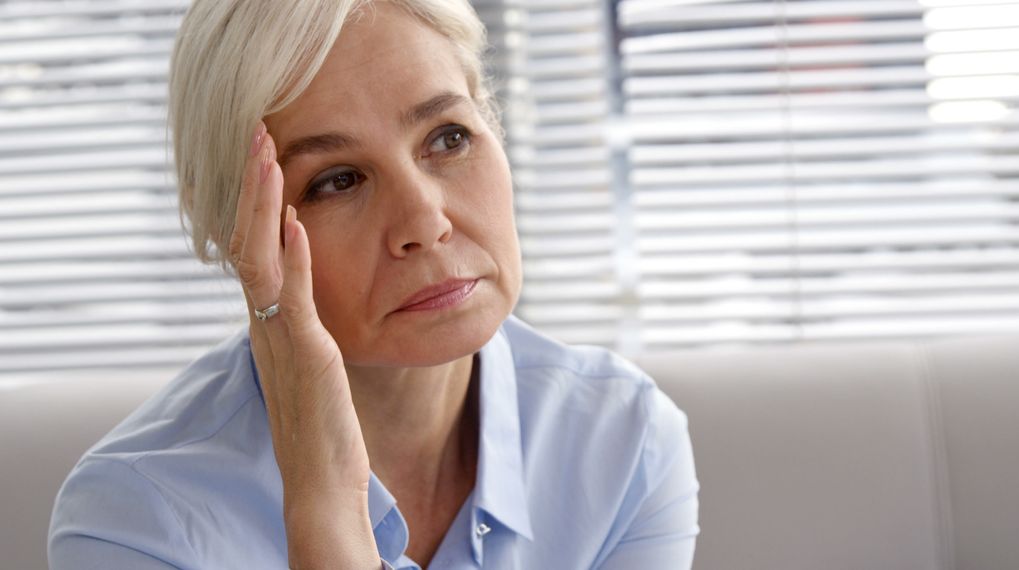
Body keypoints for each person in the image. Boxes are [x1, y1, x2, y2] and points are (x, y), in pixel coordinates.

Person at [48, 1, 699, 568]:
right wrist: (323, 500)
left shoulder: (621, 445)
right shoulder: (135, 518)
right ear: (233, 230)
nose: (425, 222)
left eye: (448, 137)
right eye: (337, 180)